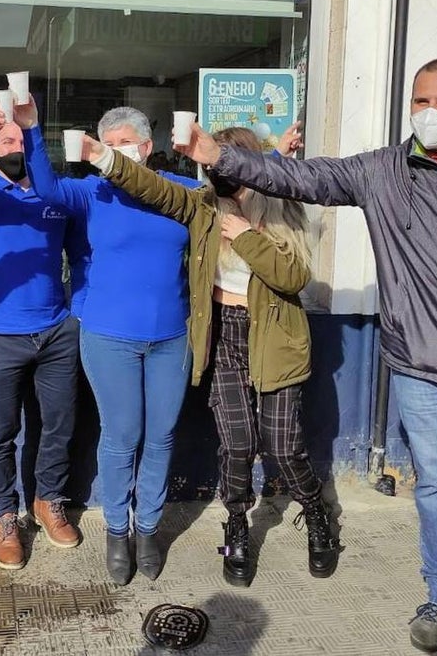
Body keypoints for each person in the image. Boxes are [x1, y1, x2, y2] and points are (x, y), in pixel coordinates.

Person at [175, 58, 437, 652]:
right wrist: (219, 156)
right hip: (421, 365)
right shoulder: (383, 171)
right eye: (420, 100)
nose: (429, 112)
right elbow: (304, 178)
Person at [73, 125, 339, 587]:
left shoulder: (282, 205)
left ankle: (315, 509)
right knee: (236, 444)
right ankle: (236, 525)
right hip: (222, 334)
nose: (217, 168)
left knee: (282, 445)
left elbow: (293, 276)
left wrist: (247, 237)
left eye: (225, 160)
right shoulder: (203, 204)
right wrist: (105, 157)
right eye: (212, 160)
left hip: (274, 337)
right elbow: (152, 187)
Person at [15, 97, 196, 585]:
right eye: (108, 143)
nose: (116, 151)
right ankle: (118, 530)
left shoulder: (179, 190)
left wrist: (272, 159)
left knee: (161, 436)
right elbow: (48, 187)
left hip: (172, 336)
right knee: (122, 436)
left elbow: (228, 197)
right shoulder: (93, 192)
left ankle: (148, 528)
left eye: (125, 143)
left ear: (147, 147)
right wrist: (31, 129)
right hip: (110, 335)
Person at [0, 119, 84, 569]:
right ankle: (5, 516)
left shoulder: (53, 197)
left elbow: (81, 253)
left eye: (20, 139)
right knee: (0, 434)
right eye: (4, 139)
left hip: (56, 332)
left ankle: (48, 500)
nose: (14, 146)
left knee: (59, 424)